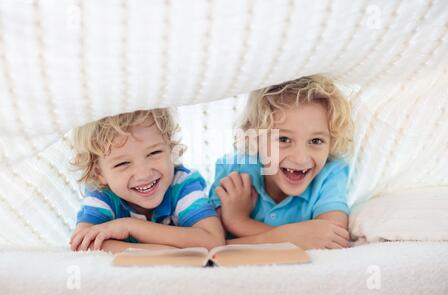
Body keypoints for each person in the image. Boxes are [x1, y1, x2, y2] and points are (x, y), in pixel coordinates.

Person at [209, 75, 354, 249]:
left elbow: (333, 239)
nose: (301, 158)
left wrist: (239, 223)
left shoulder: (331, 174)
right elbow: (212, 245)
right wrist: (295, 238)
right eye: (284, 139)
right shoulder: (233, 171)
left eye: (316, 141)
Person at [70, 108, 225, 253]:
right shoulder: (101, 194)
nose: (143, 174)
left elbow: (213, 240)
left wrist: (129, 226)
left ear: (171, 149)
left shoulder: (183, 184)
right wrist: (164, 251)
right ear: (99, 173)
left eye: (154, 153)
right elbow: (84, 244)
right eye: (123, 163)